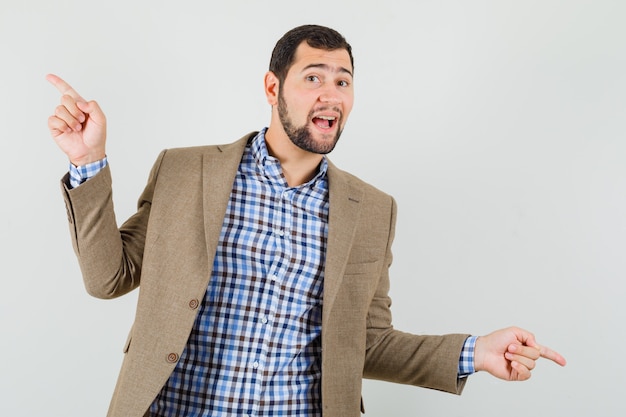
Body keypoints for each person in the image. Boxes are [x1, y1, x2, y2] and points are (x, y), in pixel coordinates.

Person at [47, 24, 566, 417]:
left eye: (343, 81)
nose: (331, 94)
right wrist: (88, 161)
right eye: (313, 77)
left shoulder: (372, 211)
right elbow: (107, 278)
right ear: (273, 88)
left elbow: (366, 342)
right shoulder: (185, 171)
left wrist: (474, 352)